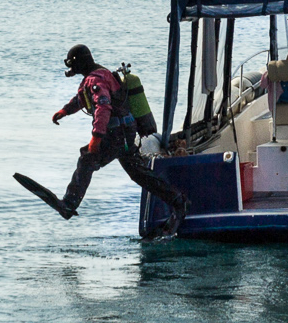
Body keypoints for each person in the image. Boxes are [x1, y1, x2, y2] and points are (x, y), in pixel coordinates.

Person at [52, 44, 188, 237]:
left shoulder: (95, 79)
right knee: (138, 174)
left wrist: (96, 137)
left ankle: (69, 203)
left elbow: (103, 105)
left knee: (87, 159)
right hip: (126, 133)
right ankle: (178, 201)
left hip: (114, 135)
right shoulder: (103, 74)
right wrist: (65, 111)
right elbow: (82, 98)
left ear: (80, 63)